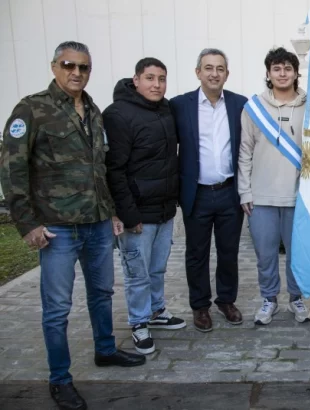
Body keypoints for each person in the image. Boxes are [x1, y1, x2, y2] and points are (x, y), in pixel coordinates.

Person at [0, 41, 145, 410]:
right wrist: (27, 223)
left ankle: (105, 349)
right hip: (58, 228)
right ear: (54, 67)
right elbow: (12, 170)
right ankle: (60, 379)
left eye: (83, 67)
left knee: (102, 294)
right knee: (57, 308)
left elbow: (101, 168)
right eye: (68, 65)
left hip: (96, 224)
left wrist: (111, 211)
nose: (76, 72)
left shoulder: (93, 110)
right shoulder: (31, 109)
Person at [104, 57, 186, 355]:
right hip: (137, 213)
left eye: (162, 79)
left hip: (163, 209)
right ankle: (139, 322)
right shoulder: (118, 114)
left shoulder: (164, 109)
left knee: (157, 268)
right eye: (150, 78)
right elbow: (115, 169)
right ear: (136, 80)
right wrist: (127, 214)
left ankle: (156, 311)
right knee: (137, 272)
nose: (157, 84)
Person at [170, 48, 248, 332]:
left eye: (220, 68)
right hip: (197, 193)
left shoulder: (240, 104)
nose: (214, 73)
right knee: (196, 253)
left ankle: (226, 300)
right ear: (198, 72)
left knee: (229, 251)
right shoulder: (180, 105)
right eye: (208, 68)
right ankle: (199, 306)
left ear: (227, 73)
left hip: (229, 191)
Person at [238, 47, 310, 325]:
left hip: (299, 196)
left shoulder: (309, 105)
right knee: (265, 254)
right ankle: (269, 299)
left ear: (295, 73)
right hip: (262, 196)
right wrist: (245, 190)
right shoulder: (253, 107)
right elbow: (245, 151)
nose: (282, 73)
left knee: (297, 254)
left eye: (287, 68)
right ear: (268, 73)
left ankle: (296, 298)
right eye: (276, 68)